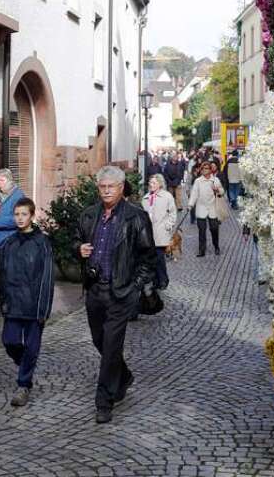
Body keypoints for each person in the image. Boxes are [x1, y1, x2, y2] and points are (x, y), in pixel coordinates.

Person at [73, 164, 156, 424]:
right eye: (103, 187)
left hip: (120, 292)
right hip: (95, 290)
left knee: (111, 346)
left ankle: (104, 400)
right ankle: (124, 376)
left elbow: (148, 257)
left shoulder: (135, 217)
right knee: (100, 341)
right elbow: (76, 240)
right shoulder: (88, 215)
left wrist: (134, 288)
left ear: (121, 188)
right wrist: (80, 249)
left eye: (112, 187)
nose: (106, 191)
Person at [0, 196, 54, 407]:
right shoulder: (10, 242)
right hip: (13, 302)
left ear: (32, 216)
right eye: (17, 214)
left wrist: (43, 308)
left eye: (24, 214)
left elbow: (48, 276)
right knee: (10, 341)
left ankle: (24, 384)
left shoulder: (42, 243)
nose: (20, 218)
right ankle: (25, 365)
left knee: (31, 347)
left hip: (33, 305)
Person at [141, 173, 177, 290]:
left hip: (161, 232)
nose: (151, 185)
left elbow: (172, 213)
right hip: (148, 234)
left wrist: (168, 225)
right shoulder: (145, 198)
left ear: (160, 184)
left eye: (154, 183)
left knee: (159, 258)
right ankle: (156, 280)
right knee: (151, 259)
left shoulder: (167, 196)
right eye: (150, 182)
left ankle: (163, 280)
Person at [188, 160, 225, 257]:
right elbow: (194, 194)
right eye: (203, 169)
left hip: (212, 207)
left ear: (210, 170)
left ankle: (216, 246)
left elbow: (222, 191)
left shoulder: (215, 180)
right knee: (202, 231)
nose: (204, 170)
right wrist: (190, 204)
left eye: (207, 168)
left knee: (214, 229)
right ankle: (201, 250)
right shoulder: (198, 181)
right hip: (201, 208)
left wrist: (217, 189)